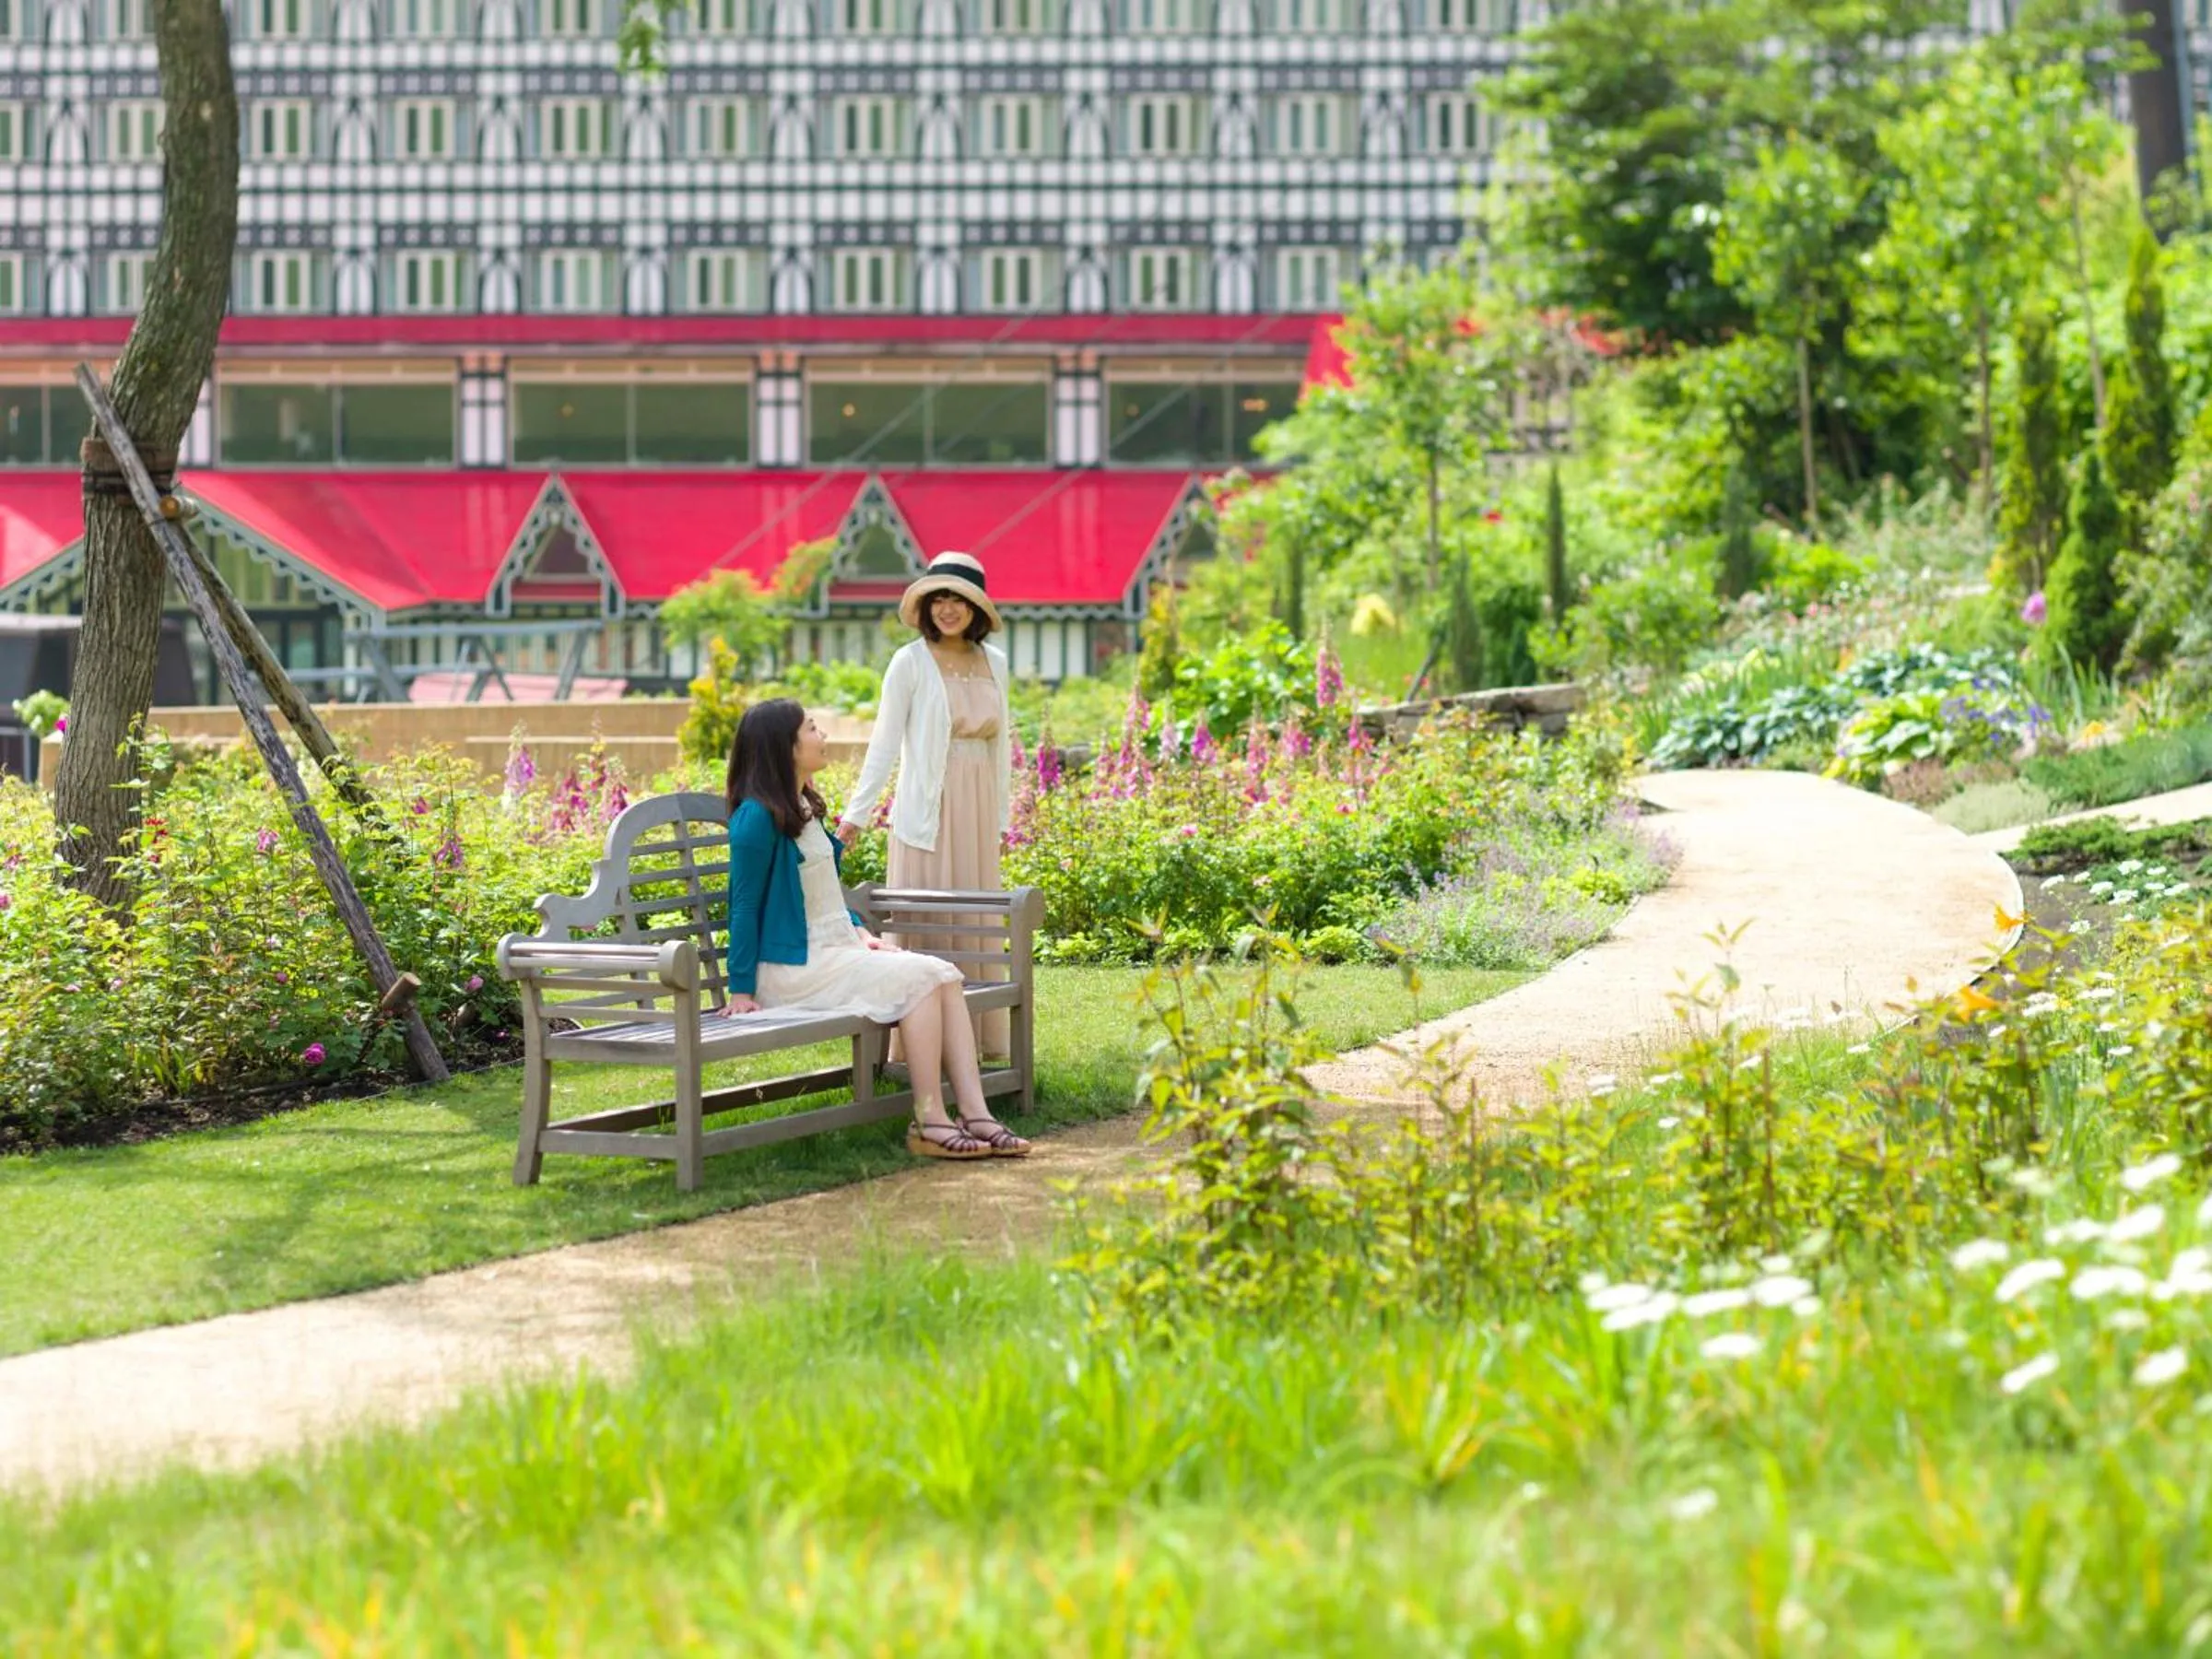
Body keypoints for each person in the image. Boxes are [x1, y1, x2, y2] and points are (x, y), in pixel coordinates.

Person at [719, 699, 1030, 1159]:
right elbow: (743, 907)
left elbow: (821, 893)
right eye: (812, 728)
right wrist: (741, 989)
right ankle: (929, 1120)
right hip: (788, 968)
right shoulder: (756, 818)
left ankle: (975, 1112)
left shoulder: (803, 807)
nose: (821, 735)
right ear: (783, 747)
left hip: (832, 952)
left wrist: (858, 930)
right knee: (921, 978)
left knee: (943, 975)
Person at [836, 550, 1014, 1060]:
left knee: (976, 918)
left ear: (976, 608)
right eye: (938, 599)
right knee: (927, 919)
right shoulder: (909, 662)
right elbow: (885, 743)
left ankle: (978, 1038)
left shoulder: (995, 664)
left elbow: (1001, 747)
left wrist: (999, 818)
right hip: (927, 814)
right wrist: (856, 815)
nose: (947, 609)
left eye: (958, 599)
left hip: (977, 810)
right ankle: (917, 1046)